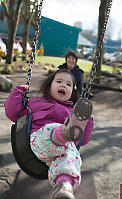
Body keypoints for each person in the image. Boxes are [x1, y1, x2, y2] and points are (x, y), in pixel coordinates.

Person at [4, 69, 94, 199]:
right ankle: (65, 132)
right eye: (59, 81)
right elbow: (12, 112)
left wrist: (87, 120)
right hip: (37, 143)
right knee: (52, 129)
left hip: (59, 153)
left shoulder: (73, 112)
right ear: (49, 85)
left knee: (71, 156)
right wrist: (19, 91)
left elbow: (83, 139)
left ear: (72, 92)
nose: (63, 85)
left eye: (68, 84)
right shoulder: (34, 103)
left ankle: (64, 188)